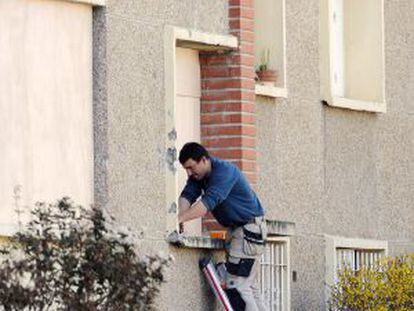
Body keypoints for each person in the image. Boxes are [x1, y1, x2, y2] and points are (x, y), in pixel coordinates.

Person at [178, 142, 268, 311]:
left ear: (204, 160)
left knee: (236, 287)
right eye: (186, 169)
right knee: (249, 288)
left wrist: (180, 218)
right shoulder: (199, 176)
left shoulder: (224, 172)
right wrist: (180, 218)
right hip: (242, 232)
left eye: (191, 167)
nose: (189, 173)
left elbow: (206, 204)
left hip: (248, 231)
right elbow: (187, 196)